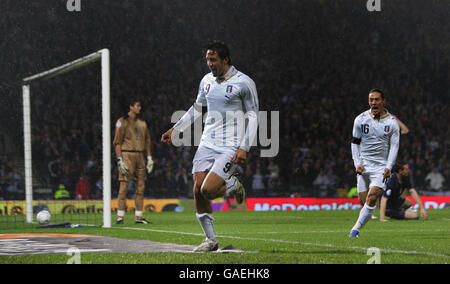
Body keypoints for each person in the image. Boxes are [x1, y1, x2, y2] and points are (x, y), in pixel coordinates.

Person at [161, 41, 259, 252]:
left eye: (213, 60)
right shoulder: (206, 81)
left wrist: (245, 147)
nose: (209, 63)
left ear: (226, 60)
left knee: (209, 189)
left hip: (230, 145)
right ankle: (210, 240)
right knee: (197, 190)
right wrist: (177, 129)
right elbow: (198, 108)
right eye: (207, 59)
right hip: (207, 142)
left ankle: (233, 185)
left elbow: (254, 116)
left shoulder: (244, 83)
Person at [349, 89, 400, 238]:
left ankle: (355, 230)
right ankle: (368, 214)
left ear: (383, 101)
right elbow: (355, 143)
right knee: (363, 200)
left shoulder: (392, 123)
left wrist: (388, 167)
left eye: (377, 100)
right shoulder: (360, 119)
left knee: (372, 197)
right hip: (364, 166)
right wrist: (357, 163)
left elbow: (394, 147)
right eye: (371, 100)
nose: (373, 103)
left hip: (381, 167)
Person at [113, 99, 154, 224]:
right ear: (131, 107)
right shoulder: (121, 122)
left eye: (140, 105)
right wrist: (120, 159)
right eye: (137, 105)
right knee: (124, 186)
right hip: (127, 155)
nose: (140, 108)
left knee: (141, 186)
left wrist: (149, 157)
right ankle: (120, 217)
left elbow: (147, 141)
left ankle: (139, 217)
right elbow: (117, 142)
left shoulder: (143, 123)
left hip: (140, 156)